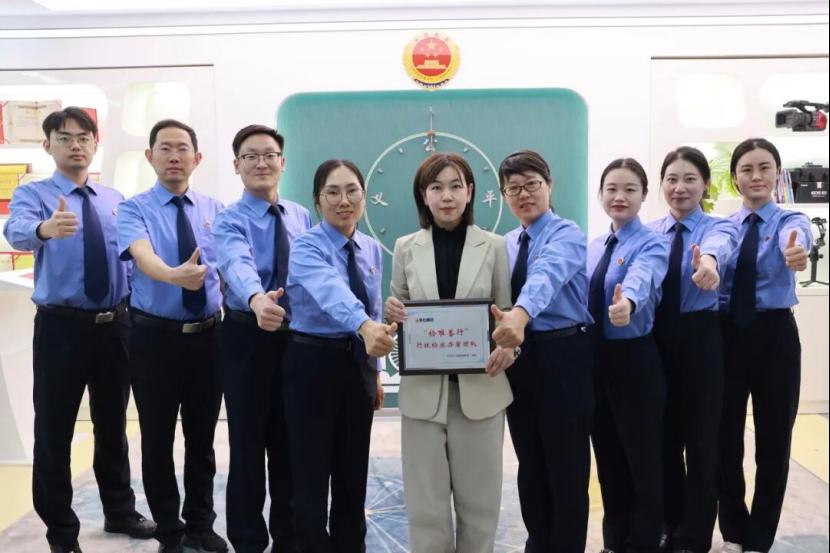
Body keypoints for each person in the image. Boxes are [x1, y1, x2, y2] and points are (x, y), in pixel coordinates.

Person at [3, 107, 155, 553]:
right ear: (47, 145)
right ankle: (61, 532)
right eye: (65, 138)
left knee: (114, 423)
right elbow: (16, 232)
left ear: (95, 144)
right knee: (55, 429)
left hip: (114, 326)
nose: (75, 145)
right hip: (61, 328)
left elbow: (130, 256)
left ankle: (119, 510)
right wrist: (45, 228)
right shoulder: (34, 194)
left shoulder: (114, 198)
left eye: (84, 138)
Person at [384, 152, 515, 553]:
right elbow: (396, 312)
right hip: (423, 396)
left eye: (456, 186)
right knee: (426, 509)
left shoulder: (494, 246)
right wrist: (391, 312)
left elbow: (506, 316)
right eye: (436, 187)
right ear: (423, 196)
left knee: (480, 508)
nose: (447, 196)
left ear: (470, 192)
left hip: (481, 393)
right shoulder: (405, 247)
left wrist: (508, 347)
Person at [116, 119, 227, 553]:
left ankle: (201, 524)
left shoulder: (216, 210)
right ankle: (169, 531)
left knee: (202, 438)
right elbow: (141, 255)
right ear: (150, 156)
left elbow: (230, 267)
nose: (174, 156)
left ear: (197, 158)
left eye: (183, 148)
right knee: (157, 438)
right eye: (165, 148)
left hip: (208, 339)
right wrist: (172, 275)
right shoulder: (134, 209)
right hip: (154, 339)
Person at [283, 159, 395, 552]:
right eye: (332, 192)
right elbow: (331, 291)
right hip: (312, 364)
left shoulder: (370, 249)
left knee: (353, 471)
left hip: (357, 366)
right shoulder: (306, 247)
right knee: (311, 473)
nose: (343, 201)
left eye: (352, 191)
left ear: (364, 196)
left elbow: (375, 307)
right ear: (318, 201)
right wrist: (364, 327)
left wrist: (375, 372)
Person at [489, 150, 595, 552]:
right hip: (521, 359)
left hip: (564, 354)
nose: (524, 194)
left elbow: (546, 276)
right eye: (513, 188)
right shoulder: (506, 243)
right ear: (504, 195)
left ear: (549, 186)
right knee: (530, 462)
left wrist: (520, 315)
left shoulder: (567, 234)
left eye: (532, 184)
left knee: (566, 466)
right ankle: (538, 542)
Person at [212, 124, 311, 553]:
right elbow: (236, 264)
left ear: (282, 162)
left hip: (295, 340)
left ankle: (288, 537)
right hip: (246, 336)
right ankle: (248, 540)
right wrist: (257, 300)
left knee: (290, 443)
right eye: (250, 157)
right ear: (237, 166)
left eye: (269, 155)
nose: (261, 163)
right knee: (248, 445)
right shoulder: (229, 219)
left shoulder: (300, 215)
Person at [717, 138, 810, 553]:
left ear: (777, 173)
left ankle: (759, 538)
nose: (756, 176)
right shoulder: (724, 227)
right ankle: (734, 531)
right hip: (727, 337)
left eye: (765, 167)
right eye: (747, 169)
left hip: (775, 337)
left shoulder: (791, 219)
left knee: (774, 440)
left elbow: (800, 237)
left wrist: (798, 252)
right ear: (734, 178)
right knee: (724, 439)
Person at [646, 147, 738, 553]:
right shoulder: (649, 232)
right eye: (671, 179)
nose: (679, 188)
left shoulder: (719, 228)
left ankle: (695, 535)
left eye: (689, 179)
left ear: (705, 185)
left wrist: (709, 264)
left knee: (702, 442)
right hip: (655, 340)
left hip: (701, 339)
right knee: (662, 438)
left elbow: (720, 247)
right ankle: (667, 522)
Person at [587, 158, 669, 553]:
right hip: (595, 363)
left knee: (643, 461)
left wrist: (628, 304)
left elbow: (642, 277)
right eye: (612, 189)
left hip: (635, 361)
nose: (619, 197)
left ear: (644, 195)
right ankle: (614, 541)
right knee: (608, 459)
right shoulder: (593, 247)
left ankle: (645, 542)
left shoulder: (652, 242)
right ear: (600, 194)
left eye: (630, 189)